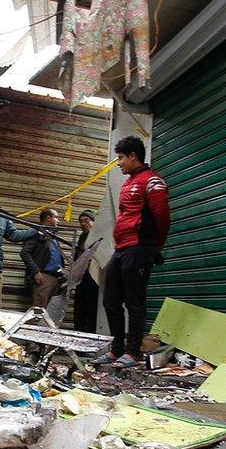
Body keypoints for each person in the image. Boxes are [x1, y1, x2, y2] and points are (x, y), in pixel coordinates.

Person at [91, 136, 169, 369]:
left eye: (121, 158)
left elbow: (162, 217)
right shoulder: (129, 182)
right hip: (122, 249)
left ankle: (132, 352)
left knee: (134, 302)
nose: (119, 163)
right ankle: (117, 350)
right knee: (111, 301)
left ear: (133, 155)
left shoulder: (152, 181)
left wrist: (154, 247)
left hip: (140, 248)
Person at [20, 208, 64, 308]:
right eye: (56, 217)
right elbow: (24, 253)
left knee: (50, 313)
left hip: (55, 278)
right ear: (48, 218)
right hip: (44, 278)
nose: (58, 220)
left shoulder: (52, 236)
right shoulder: (37, 233)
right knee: (40, 311)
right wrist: (35, 271)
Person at [74, 210, 100, 333]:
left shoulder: (100, 239)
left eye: (87, 220)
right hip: (81, 279)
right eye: (81, 221)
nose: (83, 224)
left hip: (94, 278)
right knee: (80, 309)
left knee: (92, 310)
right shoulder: (81, 238)